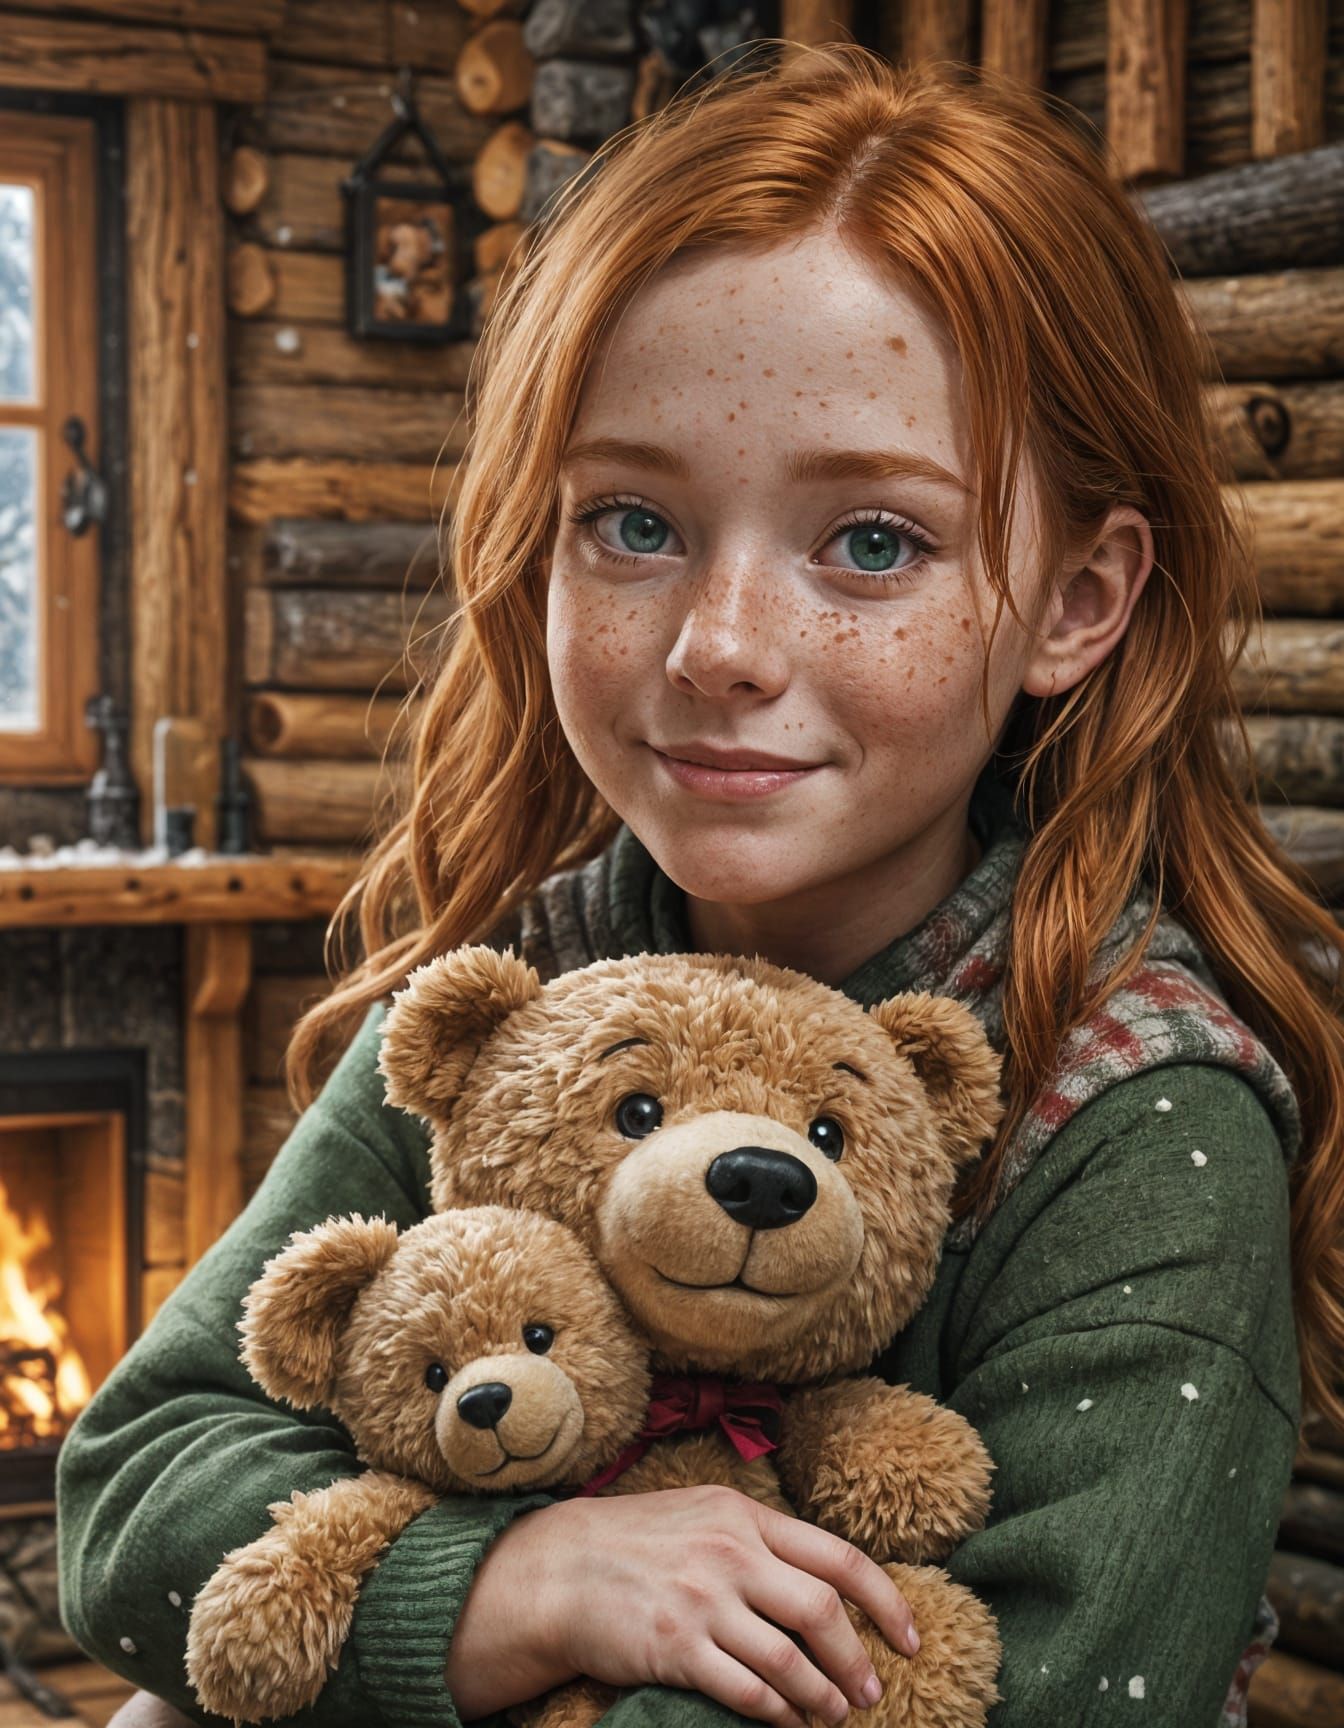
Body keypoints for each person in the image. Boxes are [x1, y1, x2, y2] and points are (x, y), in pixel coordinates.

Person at [57, 42, 1344, 1728]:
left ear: (1075, 603)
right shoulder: (522, 993)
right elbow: (135, 1495)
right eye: (633, 524)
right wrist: (514, 1588)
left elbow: (1042, 1691)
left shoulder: (1135, 1117)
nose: (724, 649)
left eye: (873, 542)